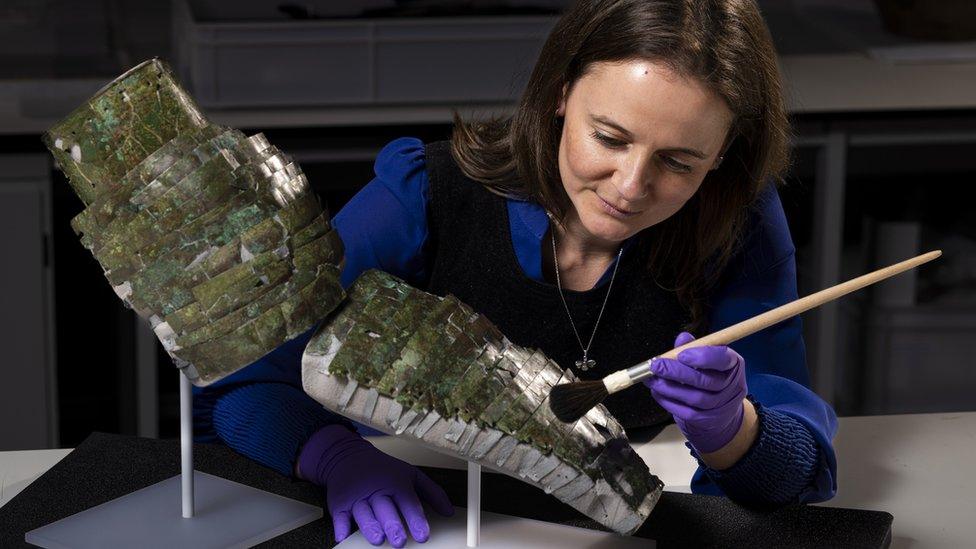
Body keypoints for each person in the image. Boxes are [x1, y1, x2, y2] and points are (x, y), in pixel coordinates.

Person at [194, 0, 838, 546]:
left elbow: (793, 475)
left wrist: (736, 432)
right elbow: (235, 385)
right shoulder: (422, 197)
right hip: (423, 511)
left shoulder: (734, 221)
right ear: (561, 93)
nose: (631, 186)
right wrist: (335, 458)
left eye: (679, 162)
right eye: (609, 139)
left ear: (721, 155)